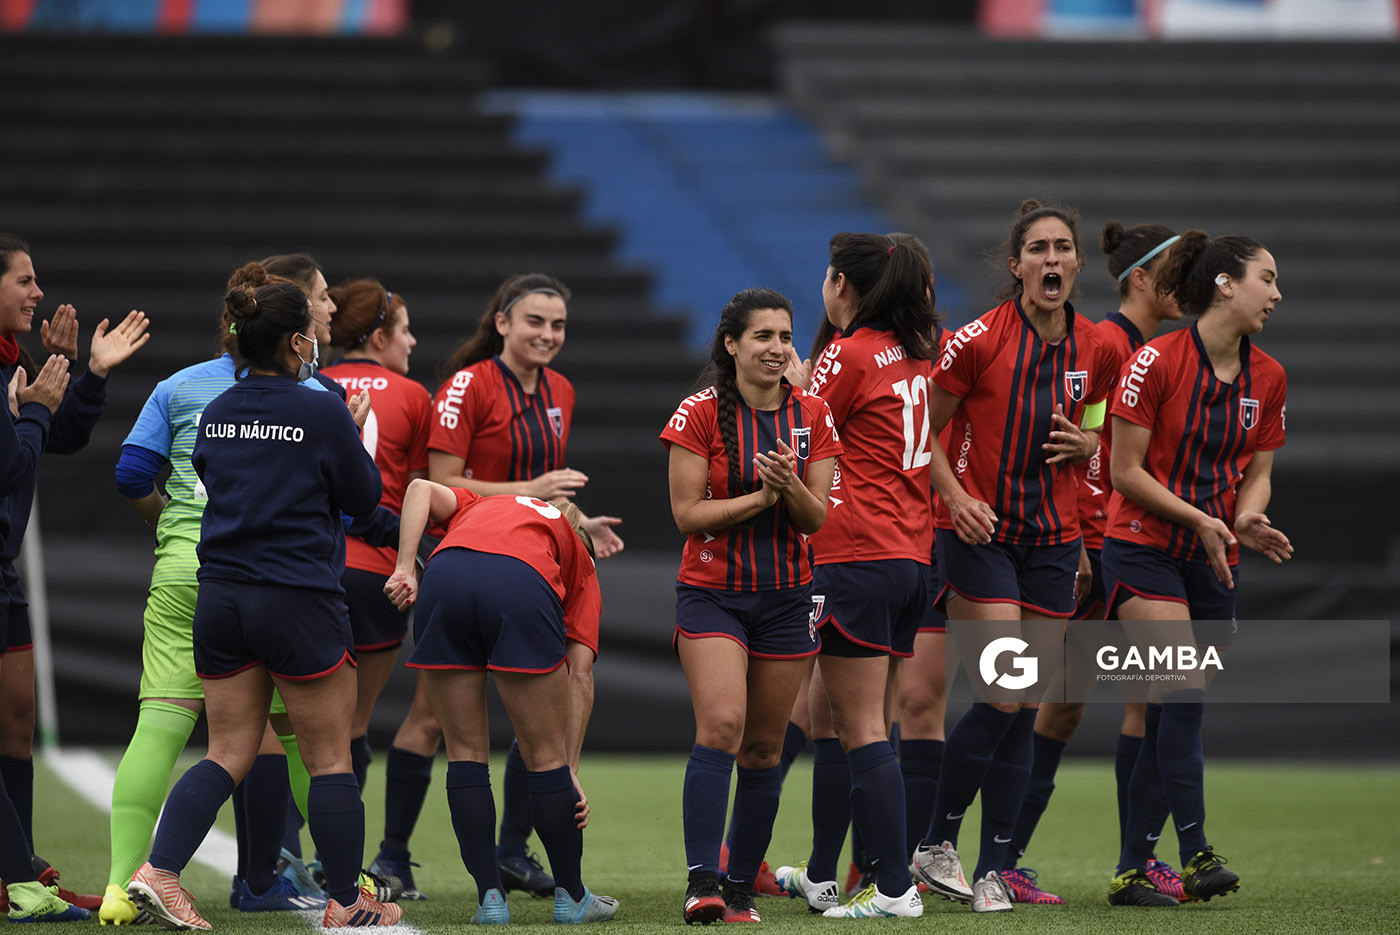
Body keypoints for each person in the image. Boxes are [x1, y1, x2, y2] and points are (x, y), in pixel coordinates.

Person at [125, 267, 401, 930]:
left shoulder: (216, 413)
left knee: (226, 749)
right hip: (297, 596)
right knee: (329, 754)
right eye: (311, 330)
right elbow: (363, 503)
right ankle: (345, 901)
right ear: (294, 343)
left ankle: (158, 868)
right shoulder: (320, 406)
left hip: (220, 598)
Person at [378, 274, 622, 900]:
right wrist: (531, 494)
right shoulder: (469, 383)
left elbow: (544, 495)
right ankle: (392, 857)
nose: (548, 334)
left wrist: (577, 522)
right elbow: (444, 479)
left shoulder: (561, 389)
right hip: (461, 559)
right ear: (503, 322)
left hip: (533, 562)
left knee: (532, 717)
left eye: (558, 325)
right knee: (431, 720)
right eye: (535, 321)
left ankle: (512, 852)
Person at [909, 200, 1117, 914]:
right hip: (980, 534)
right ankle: (936, 840)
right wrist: (957, 498)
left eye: (1063, 248)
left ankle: (995, 867)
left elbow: (1095, 421)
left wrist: (1091, 445)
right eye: (1039, 248)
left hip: (1055, 542)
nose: (1051, 259)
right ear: (1017, 264)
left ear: (1078, 264)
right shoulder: (975, 341)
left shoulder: (1100, 347)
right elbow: (923, 435)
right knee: (1003, 689)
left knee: (1023, 705)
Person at [996, 221, 1188, 906]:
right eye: (1179, 268)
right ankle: (1012, 858)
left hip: (1117, 545)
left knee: (1136, 697)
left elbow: (1098, 436)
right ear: (1142, 276)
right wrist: (1077, 530)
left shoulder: (1159, 350)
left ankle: (1133, 859)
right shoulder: (1106, 344)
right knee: (1060, 706)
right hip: (1088, 545)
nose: (1190, 283)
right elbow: (1071, 441)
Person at [1103, 230, 1289, 906]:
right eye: (1266, 278)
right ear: (1224, 284)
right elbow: (1125, 472)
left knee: (1167, 712)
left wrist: (1243, 516)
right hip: (1143, 545)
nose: (1276, 292)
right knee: (1179, 692)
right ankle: (1196, 850)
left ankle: (1130, 869)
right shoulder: (1154, 361)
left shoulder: (1269, 376)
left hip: (1214, 554)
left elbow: (1258, 473)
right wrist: (1202, 517)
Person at [661, 289, 840, 924]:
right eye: (762, 336)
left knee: (764, 748)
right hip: (712, 595)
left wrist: (789, 488)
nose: (777, 348)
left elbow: (817, 518)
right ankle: (702, 882)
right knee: (721, 727)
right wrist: (761, 500)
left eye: (785, 337)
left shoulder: (813, 414)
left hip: (789, 598)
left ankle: (739, 884)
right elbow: (687, 515)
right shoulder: (697, 413)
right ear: (732, 345)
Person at [774, 232, 939, 921]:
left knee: (860, 724)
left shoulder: (848, 352)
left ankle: (896, 885)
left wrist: (789, 374)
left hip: (856, 552)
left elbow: (803, 424)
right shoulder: (916, 354)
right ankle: (820, 874)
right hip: (909, 556)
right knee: (833, 716)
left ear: (842, 284)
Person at [382, 478, 619, 924]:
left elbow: (417, 488)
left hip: (444, 574)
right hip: (519, 582)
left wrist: (405, 569)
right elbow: (580, 677)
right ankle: (572, 898)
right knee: (544, 758)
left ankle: (490, 899)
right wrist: (570, 770)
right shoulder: (580, 561)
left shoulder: (490, 504)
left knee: (465, 754)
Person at [1, 233, 149, 922]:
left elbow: (56, 436)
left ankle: (18, 868)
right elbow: (13, 463)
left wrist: (84, 375)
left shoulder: (10, 360)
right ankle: (18, 877)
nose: (38, 292)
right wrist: (33, 409)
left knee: (17, 718)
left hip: (2, 570)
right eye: (24, 280)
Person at [319, 281, 434, 900]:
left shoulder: (312, 388)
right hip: (381, 571)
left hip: (309, 570)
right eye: (407, 330)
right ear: (381, 337)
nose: (413, 341)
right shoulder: (415, 395)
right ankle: (344, 866)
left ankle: (272, 861)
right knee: (353, 726)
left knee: (289, 726)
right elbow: (419, 494)